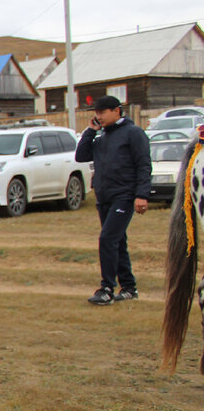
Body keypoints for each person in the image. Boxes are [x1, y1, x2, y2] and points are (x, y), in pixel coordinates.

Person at [74, 95, 151, 305]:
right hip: (104, 196)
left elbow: (143, 164)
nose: (99, 116)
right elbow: (80, 156)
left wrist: (141, 194)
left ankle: (107, 288)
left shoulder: (133, 133)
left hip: (124, 196)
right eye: (96, 113)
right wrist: (90, 131)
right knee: (117, 241)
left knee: (107, 239)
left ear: (117, 111)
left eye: (102, 112)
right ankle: (129, 287)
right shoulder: (102, 137)